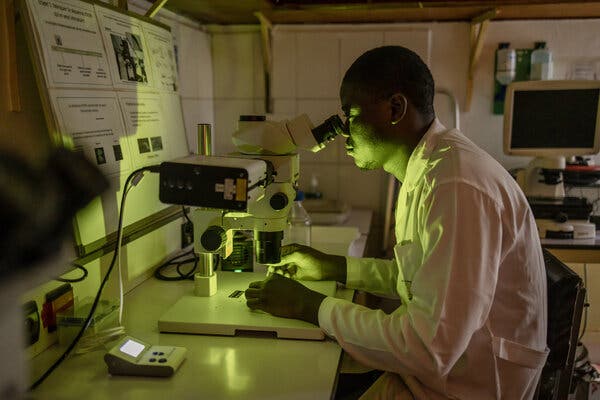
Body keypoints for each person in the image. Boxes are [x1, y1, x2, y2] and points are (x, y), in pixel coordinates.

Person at [245, 45, 548, 399]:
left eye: (351, 114)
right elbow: (421, 279)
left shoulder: (455, 185)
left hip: (470, 386)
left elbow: (429, 346)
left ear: (395, 108)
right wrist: (337, 268)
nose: (344, 131)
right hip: (450, 369)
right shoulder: (430, 169)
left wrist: (309, 306)